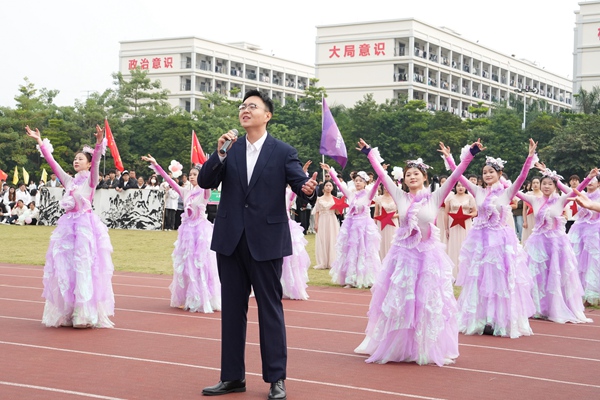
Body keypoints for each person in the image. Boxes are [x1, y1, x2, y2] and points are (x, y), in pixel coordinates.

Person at [199, 90, 317, 400]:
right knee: (232, 311)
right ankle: (232, 377)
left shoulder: (282, 151)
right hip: (230, 241)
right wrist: (219, 153)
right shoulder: (230, 150)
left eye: (253, 106)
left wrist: (307, 189)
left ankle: (276, 378)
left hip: (266, 242)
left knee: (270, 310)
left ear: (267, 115)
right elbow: (205, 182)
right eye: (242, 106)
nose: (245, 110)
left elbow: (300, 185)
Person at [354, 139, 482, 366]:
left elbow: (457, 173)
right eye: (408, 174)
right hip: (403, 257)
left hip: (428, 258)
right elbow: (381, 176)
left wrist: (470, 153)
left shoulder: (436, 196)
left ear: (424, 177)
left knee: (427, 302)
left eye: (416, 173)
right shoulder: (399, 196)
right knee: (401, 302)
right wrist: (368, 153)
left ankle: (424, 346)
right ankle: (397, 345)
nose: (412, 177)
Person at [442, 139, 537, 338]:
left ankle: (498, 320)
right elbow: (457, 175)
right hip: (480, 241)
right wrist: (449, 158)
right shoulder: (477, 191)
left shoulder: (507, 192)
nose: (487, 175)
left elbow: (522, 177)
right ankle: (481, 319)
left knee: (499, 281)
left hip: (500, 242)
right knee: (480, 279)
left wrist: (529, 157)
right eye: (485, 172)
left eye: (491, 172)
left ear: (499, 174)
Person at [25, 124, 115, 328]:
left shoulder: (90, 182)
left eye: (80, 159)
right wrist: (40, 141)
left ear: (88, 163)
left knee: (84, 267)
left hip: (84, 228)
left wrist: (99, 143)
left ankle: (84, 314)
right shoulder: (69, 181)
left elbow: (97, 161)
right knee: (66, 270)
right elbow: (52, 163)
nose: (76, 161)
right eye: (75, 159)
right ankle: (68, 312)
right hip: (67, 230)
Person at [142, 155, 220, 313]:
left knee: (201, 265)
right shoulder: (185, 192)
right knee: (186, 266)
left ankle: (203, 297)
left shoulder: (204, 192)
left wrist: (207, 167)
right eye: (190, 174)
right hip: (187, 232)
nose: (192, 177)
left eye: (195, 174)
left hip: (201, 232)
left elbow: (208, 185)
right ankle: (188, 297)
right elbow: (169, 181)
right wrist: (156, 165)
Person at [519, 163, 594, 323]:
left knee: (555, 274)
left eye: (549, 184)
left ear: (555, 186)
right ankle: (538, 307)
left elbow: (578, 190)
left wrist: (588, 178)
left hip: (556, 243)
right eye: (544, 183)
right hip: (537, 242)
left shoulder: (561, 200)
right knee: (537, 274)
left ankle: (556, 307)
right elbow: (514, 191)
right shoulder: (534, 199)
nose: (546, 186)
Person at [321, 163, 382, 289]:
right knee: (351, 252)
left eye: (360, 181)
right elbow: (338, 184)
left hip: (364, 227)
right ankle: (350, 279)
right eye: (356, 180)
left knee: (365, 251)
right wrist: (330, 171)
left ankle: (366, 277)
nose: (358, 183)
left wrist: (381, 174)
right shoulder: (351, 195)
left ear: (365, 183)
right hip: (351, 226)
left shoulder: (368, 195)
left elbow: (376, 186)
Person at [570, 177, 600, 306]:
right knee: (578, 261)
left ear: (599, 183)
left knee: (592, 262)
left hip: (594, 232)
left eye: (593, 180)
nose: (590, 182)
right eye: (588, 180)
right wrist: (548, 173)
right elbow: (566, 190)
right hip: (579, 231)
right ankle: (580, 293)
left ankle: (592, 294)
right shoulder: (581, 195)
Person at [445, 181, 477, 279]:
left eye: (463, 185)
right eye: (458, 185)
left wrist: (465, 216)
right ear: (455, 187)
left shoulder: (470, 198)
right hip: (453, 225)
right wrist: (446, 228)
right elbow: (446, 213)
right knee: (454, 246)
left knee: (466, 246)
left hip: (466, 224)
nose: (461, 187)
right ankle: (454, 274)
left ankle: (466, 273)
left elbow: (475, 212)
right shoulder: (450, 198)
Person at [313, 180, 340, 270]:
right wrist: (316, 223)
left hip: (332, 219)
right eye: (327, 185)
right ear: (323, 187)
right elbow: (317, 212)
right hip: (322, 219)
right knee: (322, 239)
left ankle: (332, 261)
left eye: (330, 185)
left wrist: (339, 207)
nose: (328, 187)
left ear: (332, 188)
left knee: (332, 238)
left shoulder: (335, 199)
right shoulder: (319, 199)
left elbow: (338, 212)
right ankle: (323, 261)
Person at [522, 177, 542, 244]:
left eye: (537, 183)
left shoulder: (543, 195)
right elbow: (524, 209)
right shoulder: (528, 194)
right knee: (529, 234)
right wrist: (525, 221)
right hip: (530, 216)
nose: (535, 184)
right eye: (533, 183)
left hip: (539, 217)